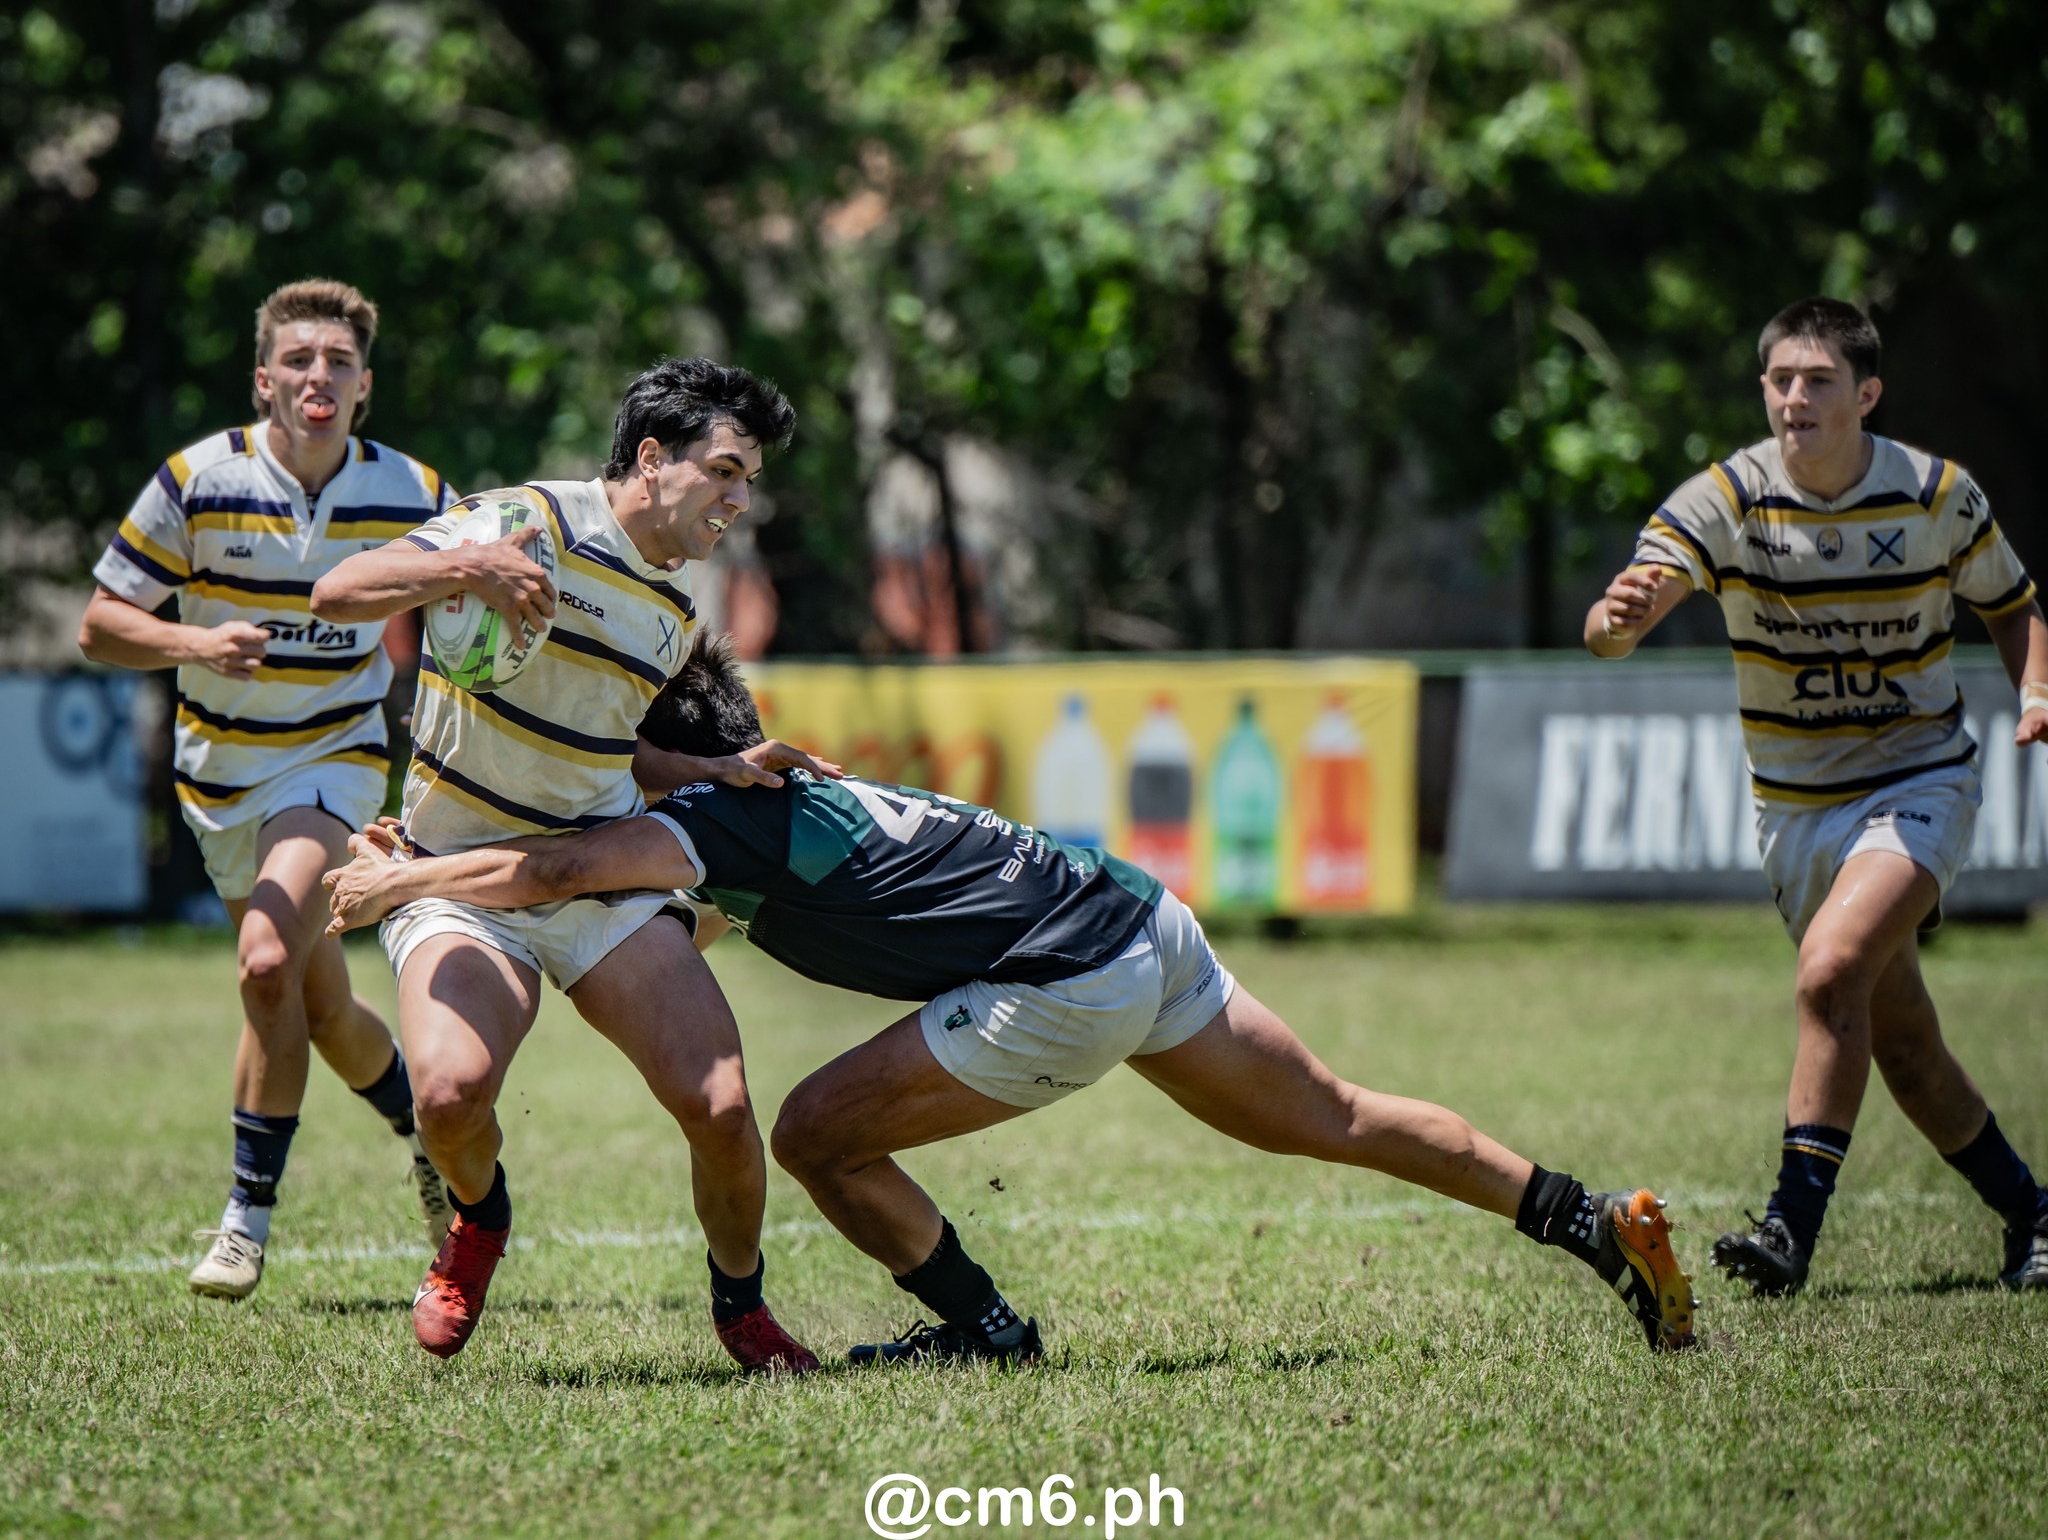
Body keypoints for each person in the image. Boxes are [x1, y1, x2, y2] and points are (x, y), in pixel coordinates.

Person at [326, 636, 1701, 1358]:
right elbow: (642, 895)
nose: (603, 765)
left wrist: (408, 882)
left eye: (620, 746)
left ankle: (986, 1332)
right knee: (1330, 1113)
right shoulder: (774, 794)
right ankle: (1591, 1220)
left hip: (1064, 977)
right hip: (1140, 921)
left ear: (671, 756)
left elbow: (571, 864)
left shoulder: (722, 813)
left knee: (810, 1132)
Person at [310, 359, 828, 1371]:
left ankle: (742, 1306)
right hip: (460, 875)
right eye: (725, 471)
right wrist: (468, 569)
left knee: (720, 1104)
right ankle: (477, 1218)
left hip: (592, 877)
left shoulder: (673, 612)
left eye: (749, 480)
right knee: (451, 1095)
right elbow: (339, 590)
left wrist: (711, 766)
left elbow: (608, 744)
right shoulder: (526, 516)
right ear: (650, 458)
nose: (738, 498)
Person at [1586, 296, 2048, 1296]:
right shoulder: (1723, 497)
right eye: (1778, 380)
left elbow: (2012, 607)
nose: (1793, 397)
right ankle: (2034, 1214)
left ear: (1864, 393)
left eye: (1817, 380)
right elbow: (1634, 600)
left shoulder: (1933, 493)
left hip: (1918, 776)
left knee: (1826, 970)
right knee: (1905, 1044)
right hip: (1791, 807)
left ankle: (1787, 1231)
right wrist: (1615, 620)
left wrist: (2035, 690)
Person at [79, 278, 457, 1301]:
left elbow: (476, 594)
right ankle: (436, 1140)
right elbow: (101, 624)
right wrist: (194, 639)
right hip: (217, 775)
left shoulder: (416, 492)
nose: (316, 376)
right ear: (264, 379)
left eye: (336, 362)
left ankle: (245, 1219)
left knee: (261, 962)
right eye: (298, 360)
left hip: (330, 759)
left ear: (363, 385)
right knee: (320, 1005)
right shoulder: (195, 479)